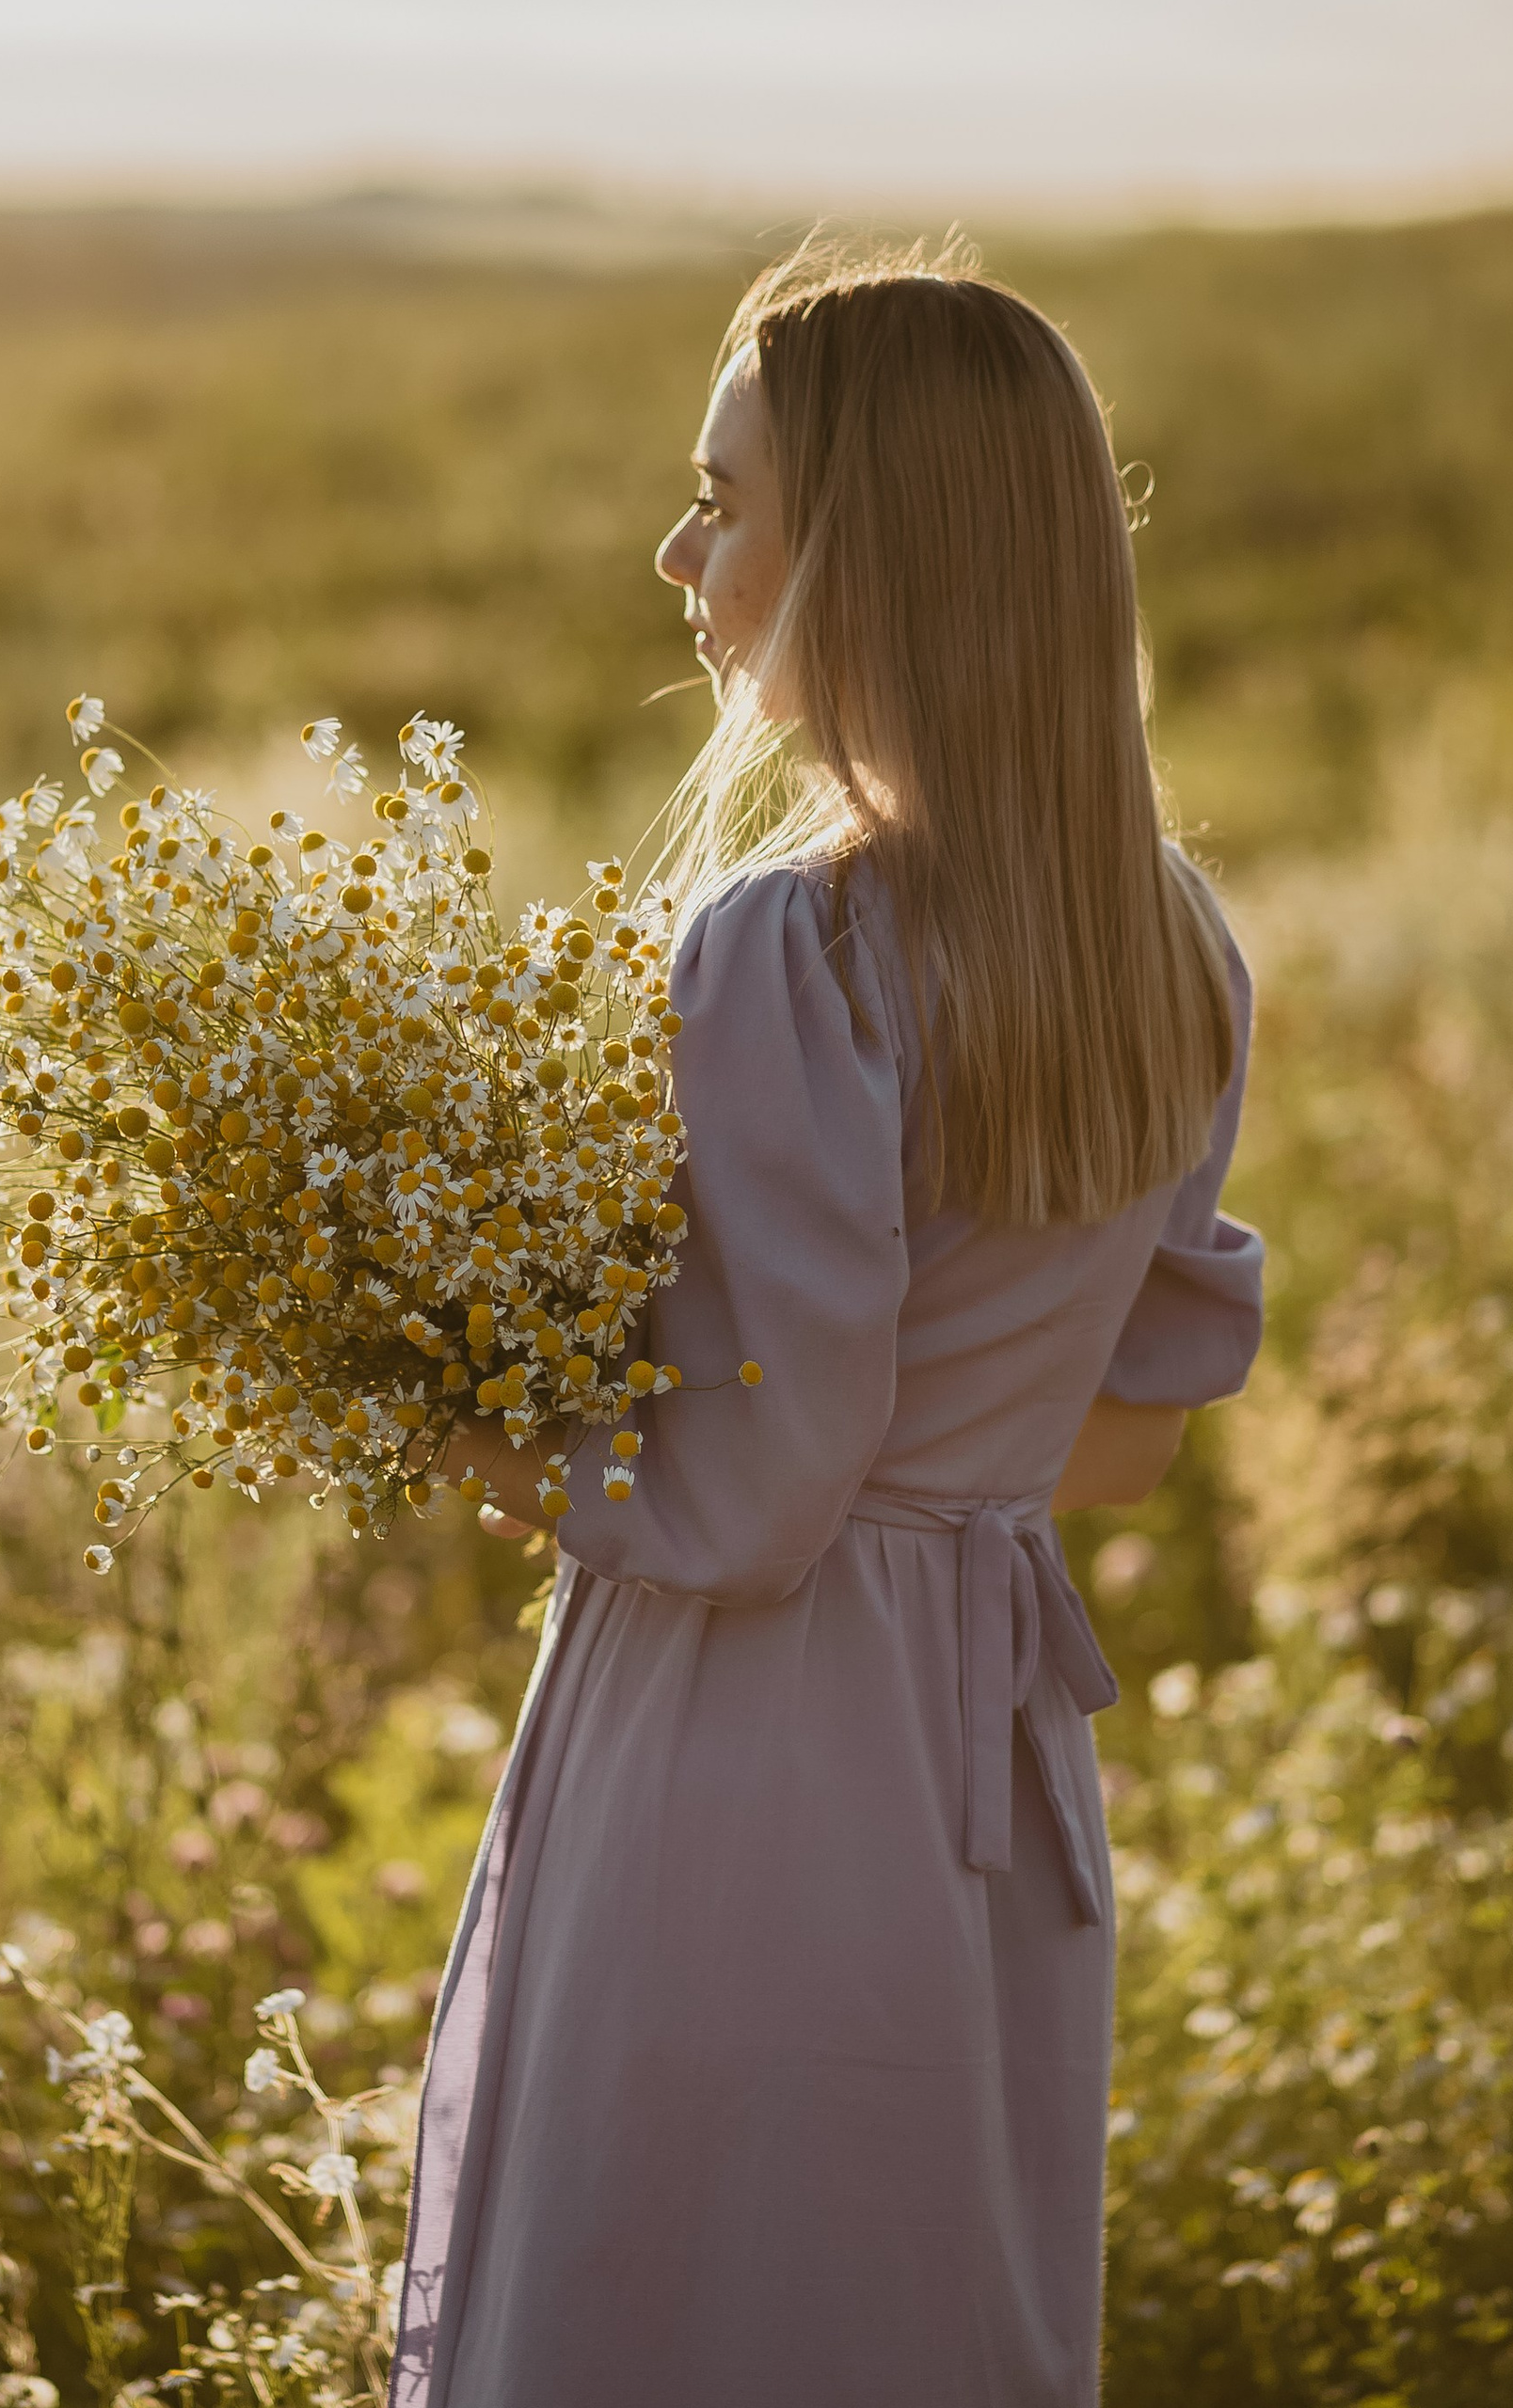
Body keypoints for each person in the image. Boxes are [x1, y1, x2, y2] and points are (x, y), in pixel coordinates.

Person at [402, 242, 1264, 2407]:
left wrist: (455, 1426)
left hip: (747, 1740)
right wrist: (919, 1463)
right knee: (908, 2311)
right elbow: (1122, 1435)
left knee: (668, 2299)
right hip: (983, 1746)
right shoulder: (1169, 941)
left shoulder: (786, 947)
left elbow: (760, 1484)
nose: (676, 550)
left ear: (858, 554)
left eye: (724, 500)